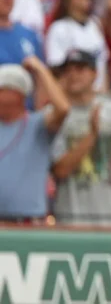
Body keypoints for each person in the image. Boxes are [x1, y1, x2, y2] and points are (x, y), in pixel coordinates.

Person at [50, 50, 111, 226]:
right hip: (71, 219)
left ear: (94, 74)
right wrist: (91, 135)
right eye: (67, 70)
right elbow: (60, 169)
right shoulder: (54, 115)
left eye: (80, 69)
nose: (73, 75)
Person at [0, 58, 70, 222]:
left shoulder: (37, 124)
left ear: (16, 93)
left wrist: (39, 68)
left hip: (28, 221)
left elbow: (63, 108)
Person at [46, 0, 109, 89]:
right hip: (74, 97)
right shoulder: (58, 28)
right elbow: (56, 70)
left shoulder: (95, 24)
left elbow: (103, 64)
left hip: (98, 95)